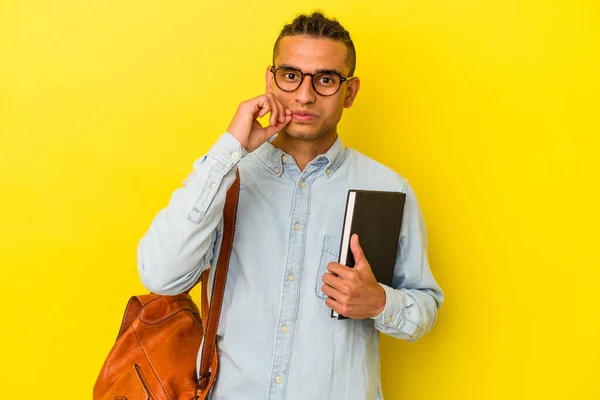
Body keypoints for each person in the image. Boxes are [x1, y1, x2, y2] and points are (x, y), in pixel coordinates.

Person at [137, 11, 444, 400]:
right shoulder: (227, 178)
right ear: (271, 80)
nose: (304, 95)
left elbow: (425, 307)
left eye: (326, 80)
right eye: (291, 75)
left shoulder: (387, 189)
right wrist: (228, 151)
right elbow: (162, 276)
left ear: (350, 92)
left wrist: (381, 302)